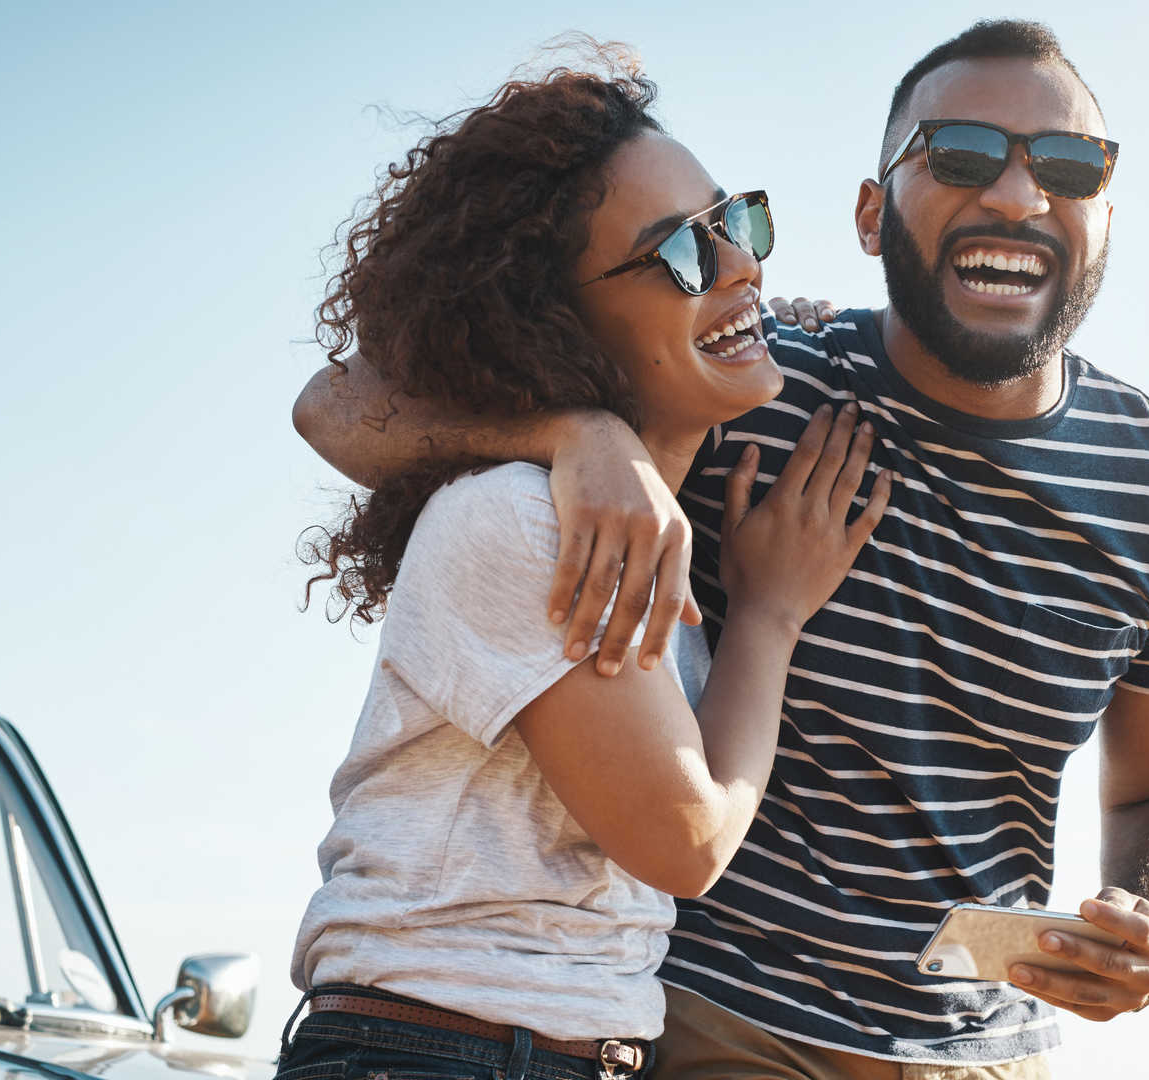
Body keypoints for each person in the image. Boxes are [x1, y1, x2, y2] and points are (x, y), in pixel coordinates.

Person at [294, 19, 1149, 1079]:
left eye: (1069, 165)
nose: (1019, 196)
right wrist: (580, 435)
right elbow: (339, 404)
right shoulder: (737, 383)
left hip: (982, 1045)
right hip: (708, 1022)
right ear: (872, 214)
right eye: (962, 155)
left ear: (1107, 214)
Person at [278, 48, 892, 1080]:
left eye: (736, 223)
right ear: (557, 319)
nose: (738, 266)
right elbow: (687, 843)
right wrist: (772, 615)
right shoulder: (524, 520)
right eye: (682, 254)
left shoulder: (619, 520)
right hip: (448, 1049)